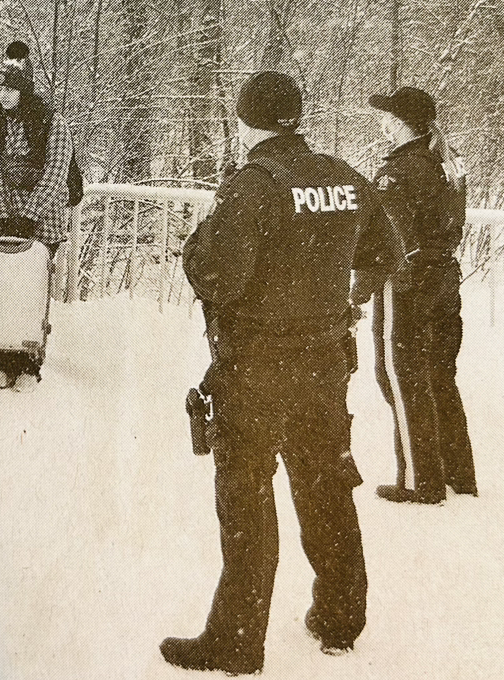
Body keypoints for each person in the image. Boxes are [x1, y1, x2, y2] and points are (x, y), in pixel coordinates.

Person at [164, 71, 398, 675]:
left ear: (248, 123)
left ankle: (236, 641)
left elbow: (219, 276)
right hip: (324, 364)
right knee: (325, 486)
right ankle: (340, 616)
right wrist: (343, 299)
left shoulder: (253, 185)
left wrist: (194, 250)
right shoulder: (343, 177)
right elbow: (384, 252)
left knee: (246, 497)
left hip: (257, 367)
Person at [369, 86, 477, 503]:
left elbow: (391, 240)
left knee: (401, 376)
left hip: (409, 282)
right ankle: (458, 474)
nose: (382, 125)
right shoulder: (448, 160)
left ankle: (422, 481)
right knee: (439, 375)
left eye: (386, 118)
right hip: (445, 276)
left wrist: (361, 286)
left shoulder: (399, 170)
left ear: (399, 124)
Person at [0, 41, 74, 392]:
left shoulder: (52, 123)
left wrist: (29, 216)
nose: (4, 95)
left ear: (24, 89)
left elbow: (57, 172)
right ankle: (2, 360)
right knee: (1, 286)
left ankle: (30, 362)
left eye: (11, 88)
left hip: (42, 218)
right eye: (0, 88)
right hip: (2, 214)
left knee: (31, 288)